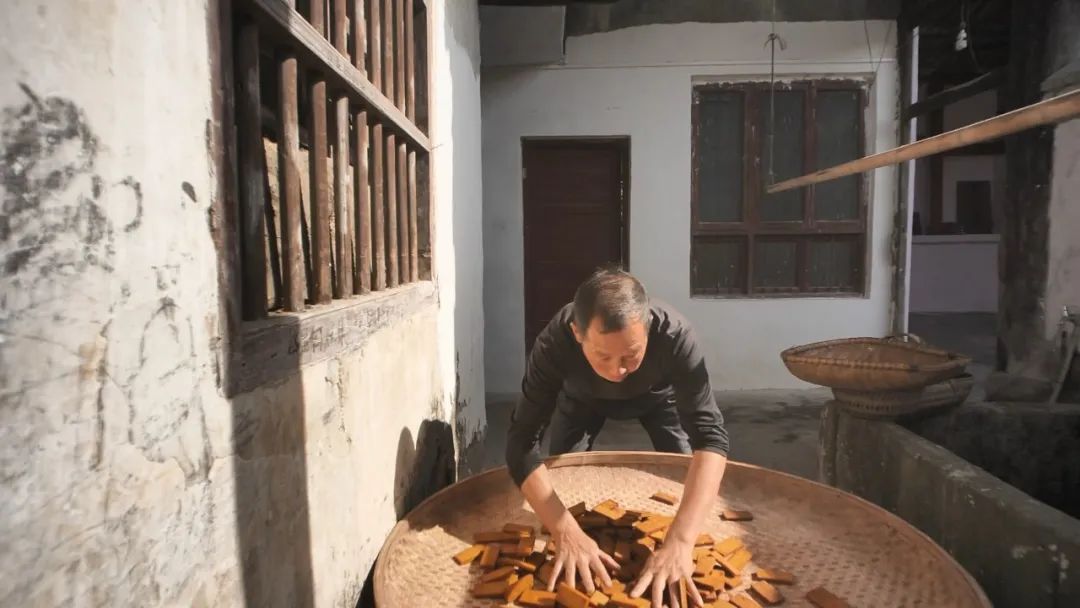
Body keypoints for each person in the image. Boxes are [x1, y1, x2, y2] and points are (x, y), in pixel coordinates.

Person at [505, 267, 730, 608]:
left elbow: (711, 437)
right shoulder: (553, 344)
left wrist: (681, 541)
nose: (617, 370)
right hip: (580, 401)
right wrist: (565, 531)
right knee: (565, 487)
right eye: (603, 356)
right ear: (577, 333)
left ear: (648, 330)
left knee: (682, 480)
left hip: (657, 399)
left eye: (631, 354)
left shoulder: (676, 337)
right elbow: (521, 442)